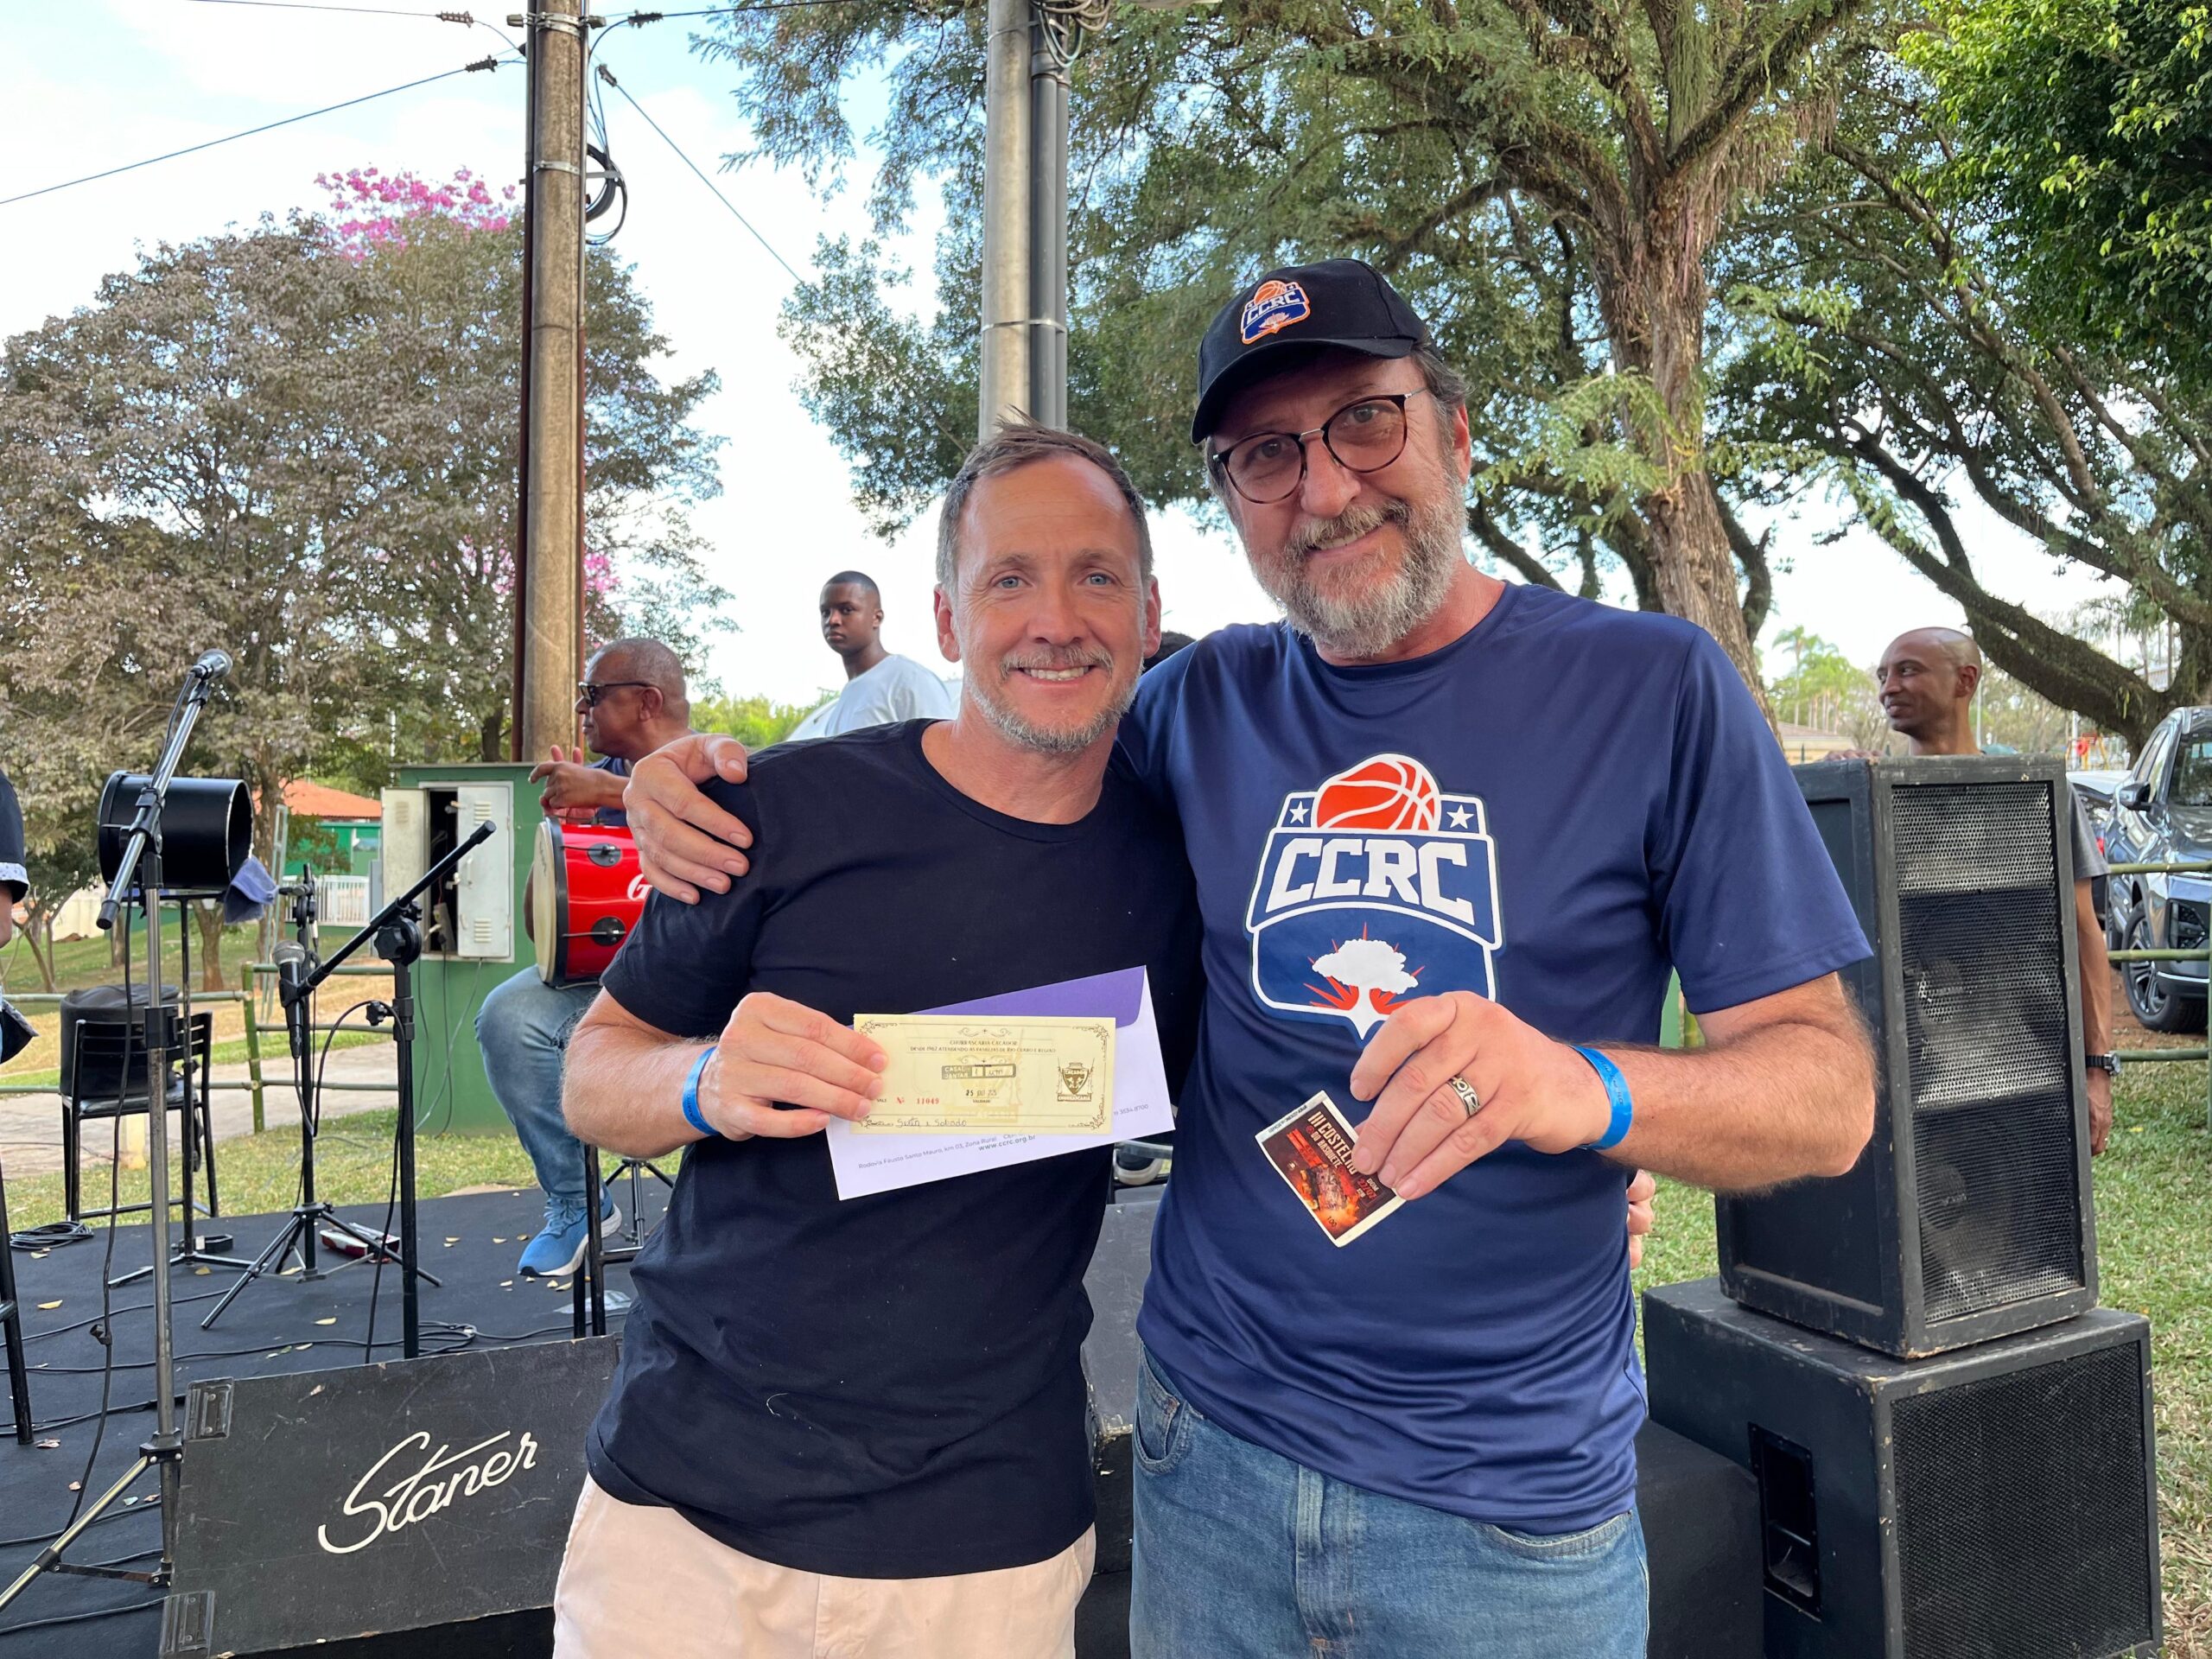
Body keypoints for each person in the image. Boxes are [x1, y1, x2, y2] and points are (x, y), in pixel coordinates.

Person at [621, 257, 1877, 1656]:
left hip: (1504, 1519)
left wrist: (1590, 1092)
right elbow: (998, 775)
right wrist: (700, 784)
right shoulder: (1197, 707)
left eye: (1365, 421)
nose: (1324, 489)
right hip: (1207, 1459)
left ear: (1457, 433)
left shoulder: (1654, 690)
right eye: (1266, 454)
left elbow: (1826, 1100)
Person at [550, 425, 1202, 1658]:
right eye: (1009, 579)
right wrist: (701, 1081)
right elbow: (593, 1069)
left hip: (985, 1554)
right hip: (686, 1528)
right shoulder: (774, 811)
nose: (1055, 619)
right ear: (948, 621)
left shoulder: (1190, 867)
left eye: (1097, 576)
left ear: (1149, 613)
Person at [474, 638, 695, 1278]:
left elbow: (713, 813)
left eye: (593, 695)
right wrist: (558, 839)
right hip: (614, 986)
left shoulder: (717, 764)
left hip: (713, 989)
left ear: (647, 701)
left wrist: (611, 792)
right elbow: (541, 933)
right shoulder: (597, 782)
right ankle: (577, 1202)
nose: (581, 710)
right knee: (509, 1015)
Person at [1872, 626, 2118, 1152]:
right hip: (1914, 1076)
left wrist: (2096, 1068)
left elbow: (2083, 932)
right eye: (1883, 675)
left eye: (1907, 670)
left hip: (2023, 1071)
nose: (1888, 687)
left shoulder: (2037, 795)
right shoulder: (1871, 796)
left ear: (1965, 680)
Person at [787, 569, 957, 738]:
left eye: (846, 610)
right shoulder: (841, 706)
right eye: (825, 612)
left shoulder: (909, 679)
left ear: (876, 618)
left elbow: (944, 749)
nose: (832, 620)